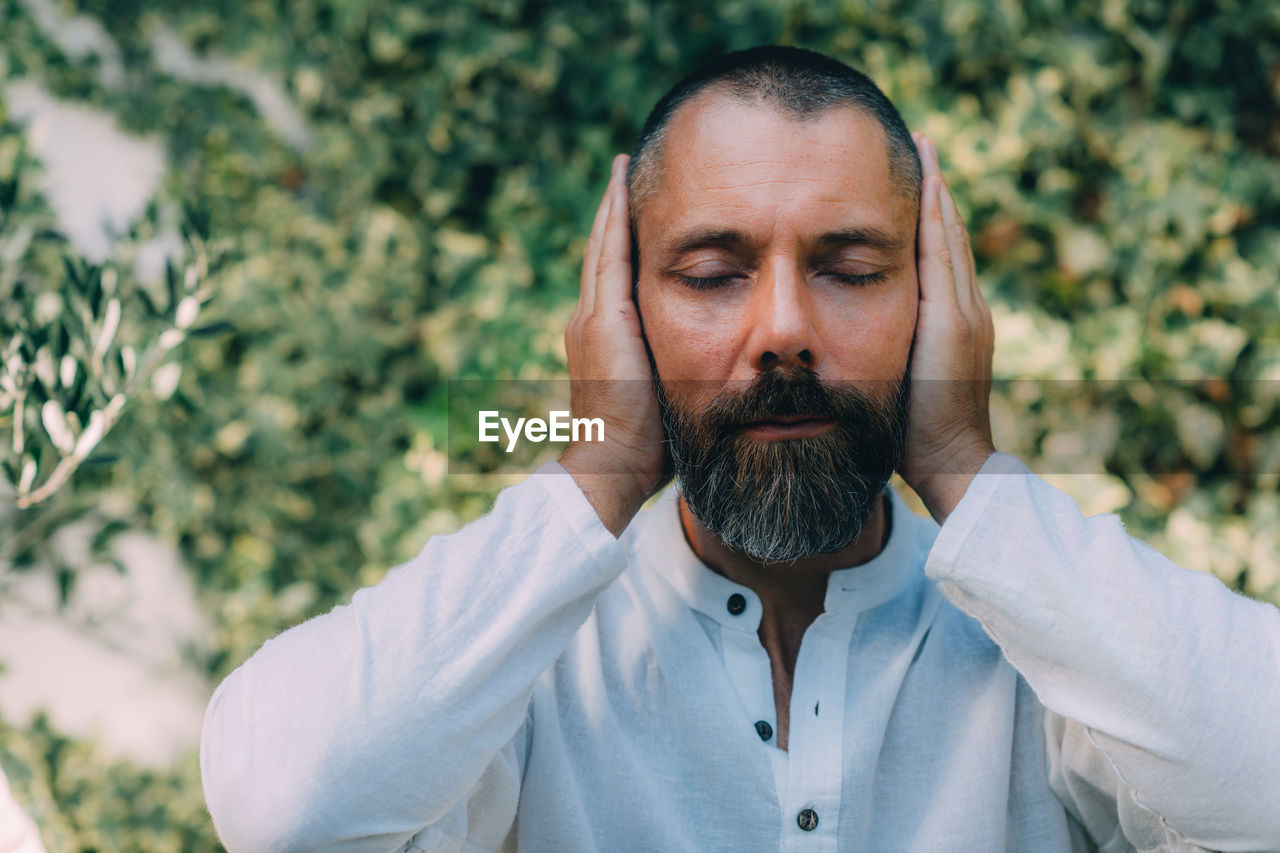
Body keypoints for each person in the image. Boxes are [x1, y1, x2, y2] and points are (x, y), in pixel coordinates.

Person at [200, 46, 1280, 852]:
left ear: (936, 301)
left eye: (850, 267)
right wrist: (596, 468)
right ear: (623, 308)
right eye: (711, 272)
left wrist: (960, 463)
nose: (780, 330)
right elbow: (284, 808)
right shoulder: (516, 657)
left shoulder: (1051, 653)